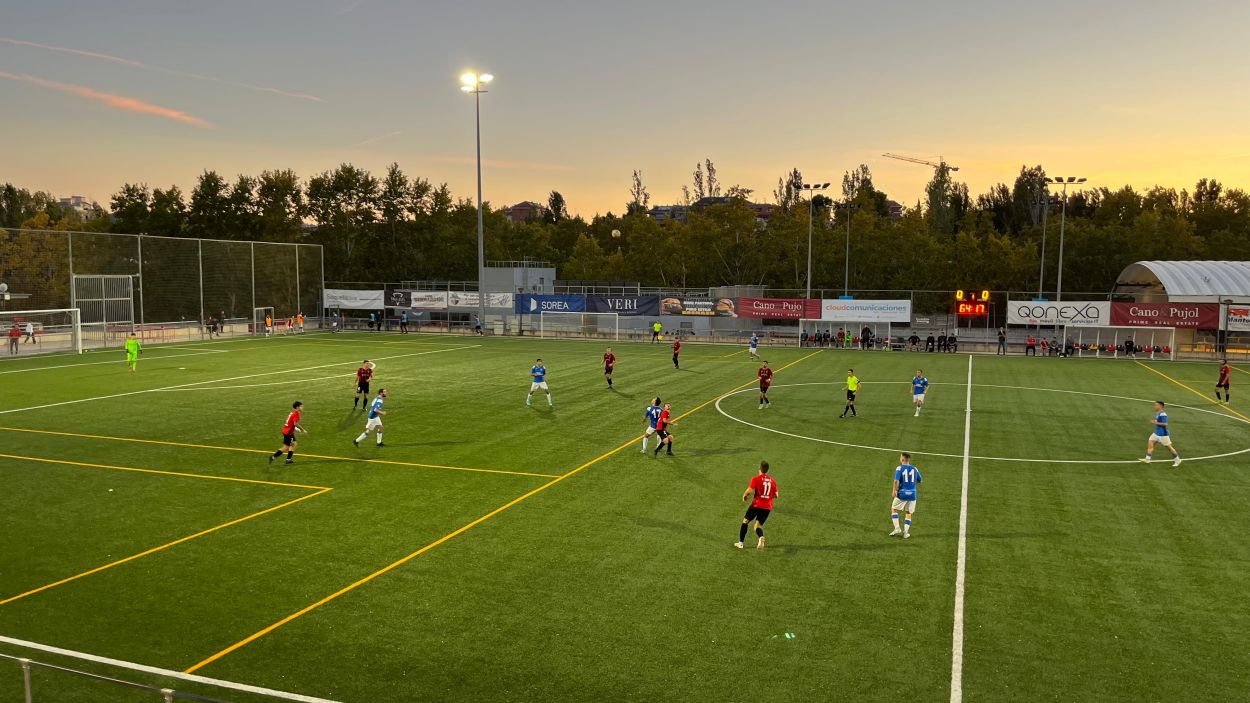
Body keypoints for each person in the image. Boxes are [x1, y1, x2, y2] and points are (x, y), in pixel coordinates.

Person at [735, 461, 777, 550]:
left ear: (759, 469)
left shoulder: (756, 478)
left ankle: (741, 543)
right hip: (767, 507)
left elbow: (749, 490)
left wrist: (745, 495)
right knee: (757, 526)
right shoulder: (772, 481)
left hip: (757, 505)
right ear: (767, 470)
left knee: (745, 521)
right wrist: (767, 497)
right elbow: (776, 495)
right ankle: (761, 537)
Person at [889, 453, 922, 538]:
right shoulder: (915, 468)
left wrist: (894, 490)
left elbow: (896, 481)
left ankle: (897, 528)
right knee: (908, 512)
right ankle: (905, 533)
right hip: (913, 494)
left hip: (902, 493)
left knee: (894, 509)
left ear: (902, 459)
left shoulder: (899, 468)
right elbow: (920, 480)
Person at [1140, 401, 1181, 467]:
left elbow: (1165, 424)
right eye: (1155, 405)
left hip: (1163, 434)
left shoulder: (1163, 414)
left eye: (1156, 405)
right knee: (1150, 442)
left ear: (1161, 406)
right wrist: (1155, 421)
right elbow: (1159, 421)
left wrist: (1155, 422)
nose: (1155, 406)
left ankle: (1177, 460)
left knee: (1169, 448)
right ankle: (1147, 459)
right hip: (1156, 433)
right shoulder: (1158, 413)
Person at [270, 401, 306, 465]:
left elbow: (291, 423)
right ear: (297, 407)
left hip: (287, 431)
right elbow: (295, 424)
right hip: (288, 433)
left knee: (293, 444)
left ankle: (288, 460)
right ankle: (274, 457)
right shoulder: (296, 414)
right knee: (286, 447)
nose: (302, 407)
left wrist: (298, 429)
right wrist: (302, 430)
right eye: (301, 406)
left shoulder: (292, 413)